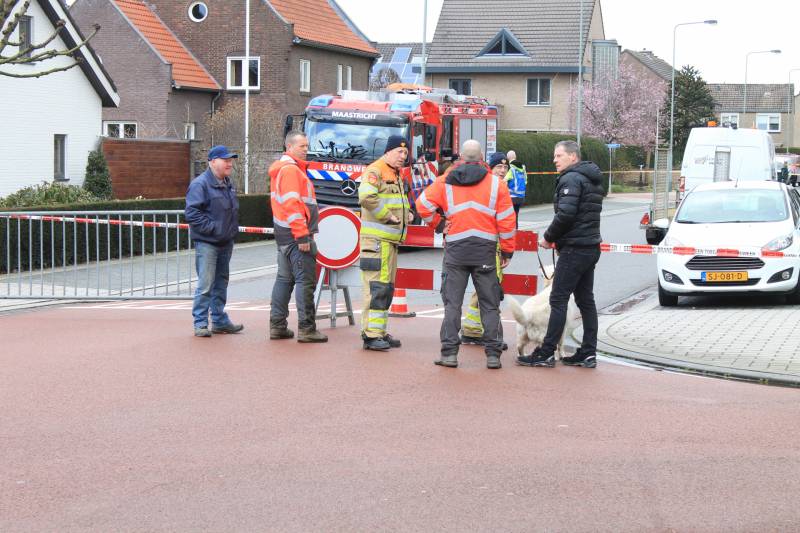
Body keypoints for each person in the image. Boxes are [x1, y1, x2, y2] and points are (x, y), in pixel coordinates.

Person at [416, 140, 516, 369]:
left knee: (453, 304)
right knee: (489, 305)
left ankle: (449, 354)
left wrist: (440, 225)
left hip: (456, 251)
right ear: (482, 157)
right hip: (485, 251)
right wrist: (508, 249)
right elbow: (508, 221)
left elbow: (422, 205)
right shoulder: (496, 184)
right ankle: (493, 355)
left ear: (461, 156)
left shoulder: (445, 181)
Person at [516, 140, 604, 369]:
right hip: (590, 246)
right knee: (586, 300)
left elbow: (565, 214)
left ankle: (545, 352)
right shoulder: (591, 178)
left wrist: (547, 237)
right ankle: (588, 352)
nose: (554, 160)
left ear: (572, 157)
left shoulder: (571, 179)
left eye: (558, 155)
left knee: (558, 298)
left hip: (574, 248)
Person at [268, 132, 328, 343]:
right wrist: (303, 236)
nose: (306, 149)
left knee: (284, 280)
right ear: (289, 148)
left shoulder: (282, 170)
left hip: (284, 235)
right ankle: (307, 328)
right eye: (302, 145)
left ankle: (278, 325)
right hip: (297, 236)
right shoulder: (292, 171)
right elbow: (293, 205)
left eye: (306, 145)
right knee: (305, 282)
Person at [358, 135, 413, 351]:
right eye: (399, 152)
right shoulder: (376, 170)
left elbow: (397, 199)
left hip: (389, 243)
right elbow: (367, 197)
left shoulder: (395, 174)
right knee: (376, 288)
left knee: (386, 288)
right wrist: (388, 216)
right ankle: (371, 335)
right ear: (388, 151)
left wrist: (407, 214)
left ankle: (378, 331)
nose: (403, 156)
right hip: (377, 243)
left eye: (406, 153)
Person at [185, 145, 244, 337]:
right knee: (206, 284)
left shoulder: (227, 183)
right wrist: (215, 229)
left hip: (225, 242)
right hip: (208, 243)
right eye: (225, 159)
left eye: (230, 159)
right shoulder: (200, 184)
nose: (229, 163)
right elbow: (192, 214)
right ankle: (200, 323)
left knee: (221, 283)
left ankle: (219, 320)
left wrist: (228, 232)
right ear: (212, 162)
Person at [460, 152, 510, 350]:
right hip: (490, 245)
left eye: (505, 167)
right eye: (498, 166)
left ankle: (472, 329)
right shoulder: (493, 187)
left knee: (485, 289)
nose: (502, 170)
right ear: (490, 167)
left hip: (490, 244)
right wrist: (506, 249)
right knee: (491, 289)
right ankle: (489, 334)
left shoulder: (498, 186)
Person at [504, 150, 528, 227]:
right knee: (516, 215)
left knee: (510, 217)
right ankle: (516, 231)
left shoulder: (511, 169)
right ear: (515, 157)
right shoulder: (523, 168)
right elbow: (526, 181)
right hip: (521, 197)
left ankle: (512, 233)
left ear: (508, 158)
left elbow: (504, 181)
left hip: (512, 197)